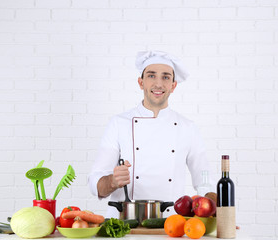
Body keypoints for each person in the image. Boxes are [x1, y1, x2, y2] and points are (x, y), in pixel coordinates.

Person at [88, 50, 212, 218]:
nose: (158, 84)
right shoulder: (118, 124)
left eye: (166, 77)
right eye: (151, 76)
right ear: (141, 82)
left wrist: (219, 217)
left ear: (173, 86)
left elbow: (205, 181)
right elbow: (95, 184)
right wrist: (112, 181)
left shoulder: (188, 128)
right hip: (124, 221)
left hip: (170, 225)